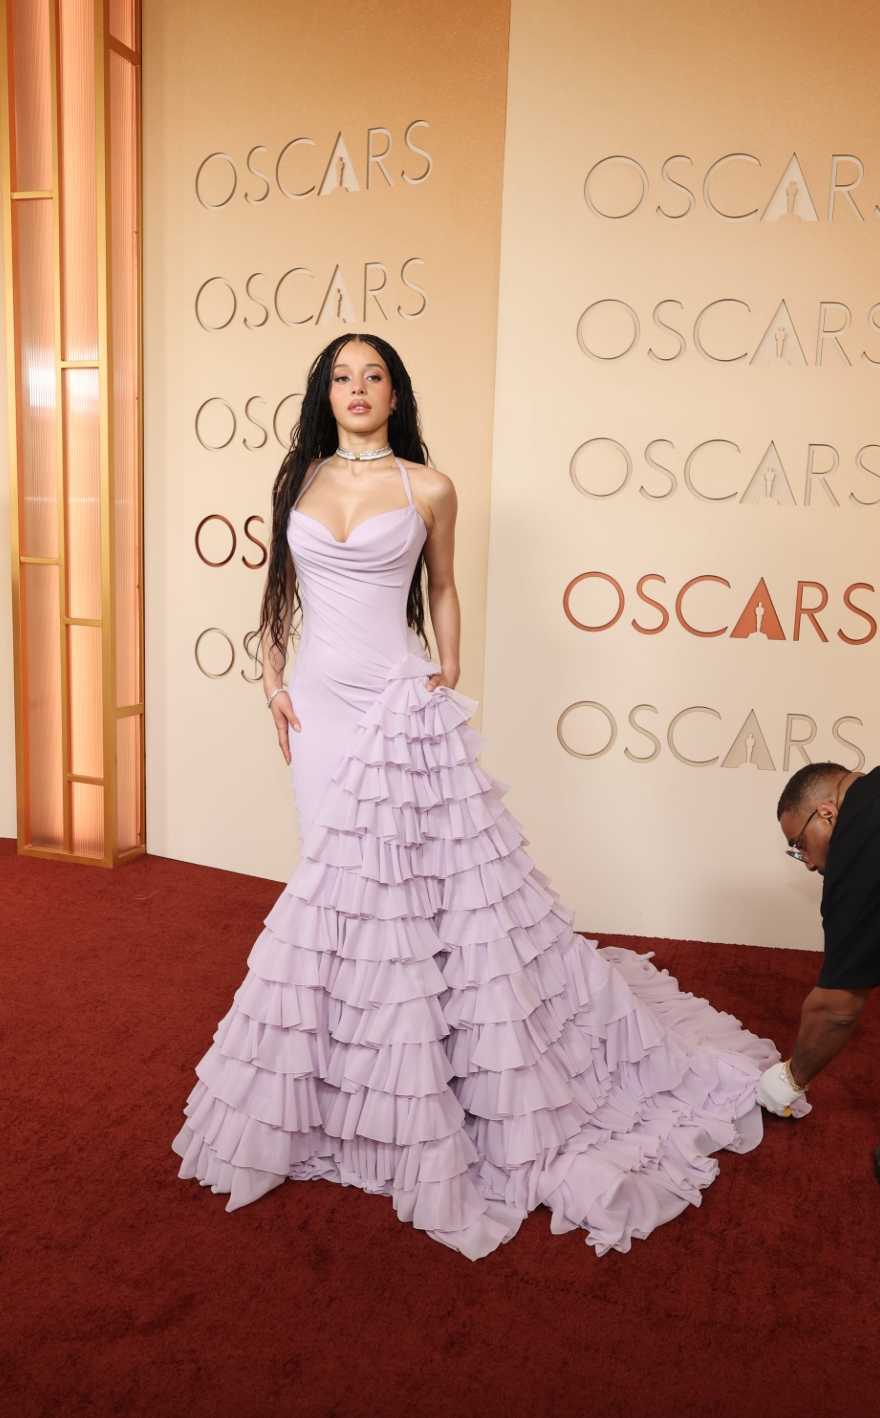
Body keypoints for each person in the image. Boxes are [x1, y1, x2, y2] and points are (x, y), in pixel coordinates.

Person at [173, 333, 785, 1260]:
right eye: (341, 377)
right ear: (325, 394)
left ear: (395, 392)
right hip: (319, 709)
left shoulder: (430, 486)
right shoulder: (299, 478)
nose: (357, 388)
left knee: (409, 890)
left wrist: (449, 666)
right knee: (335, 886)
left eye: (373, 375)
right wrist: (271, 680)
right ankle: (344, 1082)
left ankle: (422, 1084)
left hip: (394, 698)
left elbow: (444, 586)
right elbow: (277, 589)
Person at [757, 753, 880, 1243]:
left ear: (828, 813)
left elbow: (837, 1007)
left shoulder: (859, 844)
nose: (808, 862)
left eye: (800, 845)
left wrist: (791, 1078)